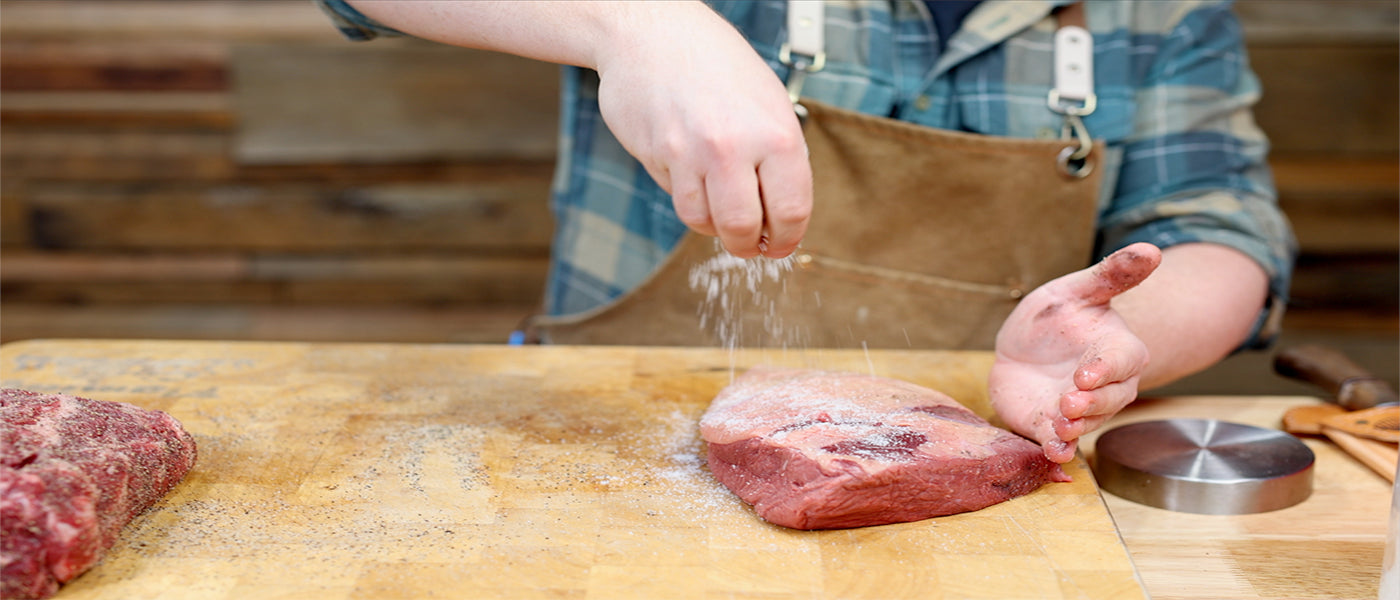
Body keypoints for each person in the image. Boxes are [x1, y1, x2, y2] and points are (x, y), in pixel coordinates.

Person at [313, 0, 1296, 463]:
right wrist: (635, 27)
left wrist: (1121, 338)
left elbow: (1220, 229)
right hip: (598, 447)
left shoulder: (1160, 15)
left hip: (965, 466)